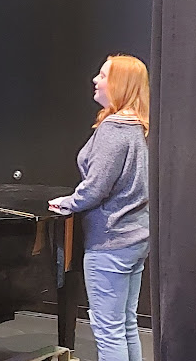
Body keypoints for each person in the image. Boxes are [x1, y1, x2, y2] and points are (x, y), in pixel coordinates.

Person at [48, 55, 150, 361]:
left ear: (119, 84)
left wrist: (68, 203)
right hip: (136, 239)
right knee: (126, 324)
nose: (95, 79)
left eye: (103, 75)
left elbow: (96, 187)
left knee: (108, 330)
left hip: (111, 242)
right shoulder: (138, 126)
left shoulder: (114, 128)